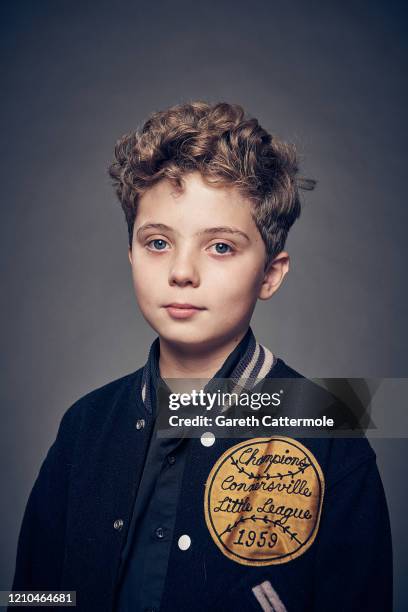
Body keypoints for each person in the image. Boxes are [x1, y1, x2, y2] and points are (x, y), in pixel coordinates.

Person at [10, 101, 392, 611]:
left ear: (271, 273)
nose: (182, 271)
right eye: (159, 242)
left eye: (220, 247)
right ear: (130, 253)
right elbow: (34, 597)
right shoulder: (83, 427)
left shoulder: (330, 436)